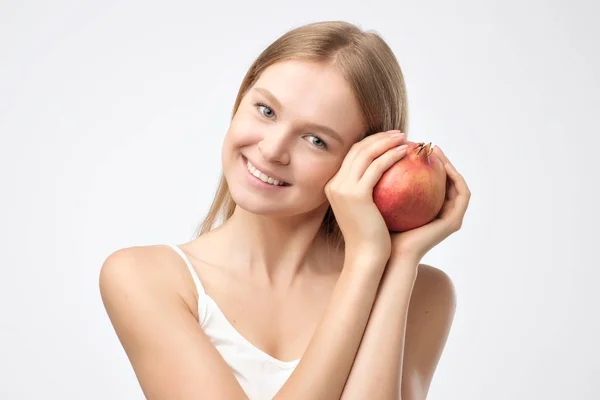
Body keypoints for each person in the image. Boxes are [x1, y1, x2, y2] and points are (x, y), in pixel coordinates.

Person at [99, 20, 471, 400]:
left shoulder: (422, 292)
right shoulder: (145, 279)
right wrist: (365, 261)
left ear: (364, 162)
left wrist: (392, 263)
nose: (273, 149)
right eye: (265, 110)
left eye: (316, 140)